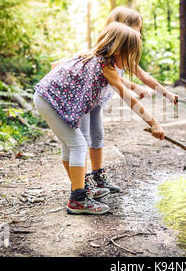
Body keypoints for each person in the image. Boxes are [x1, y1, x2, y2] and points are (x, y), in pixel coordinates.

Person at [33, 22, 165, 215]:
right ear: (118, 50)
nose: (129, 61)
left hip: (46, 98)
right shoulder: (106, 67)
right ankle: (78, 200)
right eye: (129, 55)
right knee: (78, 145)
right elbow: (129, 99)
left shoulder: (98, 59)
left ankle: (81, 190)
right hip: (50, 101)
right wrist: (153, 122)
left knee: (70, 146)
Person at [51, 7, 178, 195]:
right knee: (82, 140)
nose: (139, 34)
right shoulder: (101, 55)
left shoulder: (123, 56)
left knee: (97, 135)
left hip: (96, 102)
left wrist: (165, 93)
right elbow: (115, 80)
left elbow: (139, 77)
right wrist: (148, 114)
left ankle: (97, 175)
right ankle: (82, 183)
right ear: (122, 29)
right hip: (83, 101)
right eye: (137, 29)